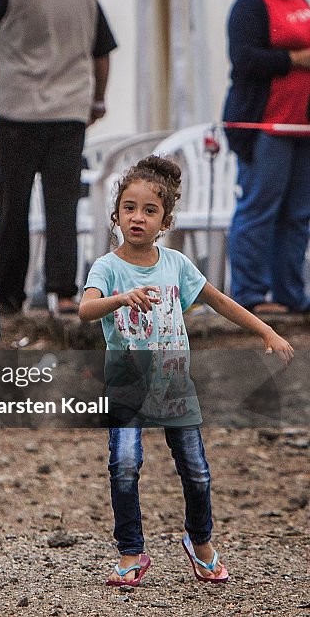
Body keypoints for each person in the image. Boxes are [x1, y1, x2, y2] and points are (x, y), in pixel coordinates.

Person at [79, 156, 293, 587]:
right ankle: (131, 552)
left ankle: (200, 543)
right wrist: (120, 299)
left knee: (195, 470)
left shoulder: (176, 264)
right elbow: (85, 310)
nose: (137, 217)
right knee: (123, 465)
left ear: (166, 220)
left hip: (176, 388)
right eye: (129, 208)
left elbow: (219, 301)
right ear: (116, 214)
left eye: (149, 210)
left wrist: (265, 330)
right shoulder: (107, 268)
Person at [0, 0, 117, 315]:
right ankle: (64, 292)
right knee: (62, 204)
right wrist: (97, 99)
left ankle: (8, 295)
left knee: (13, 205)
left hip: (19, 112)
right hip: (69, 113)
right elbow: (102, 50)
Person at [223, 0, 310, 314]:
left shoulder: (303, 3)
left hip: (302, 128)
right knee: (259, 209)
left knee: (298, 215)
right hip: (264, 126)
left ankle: (291, 295)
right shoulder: (251, 4)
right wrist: (294, 59)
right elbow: (243, 59)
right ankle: (249, 295)